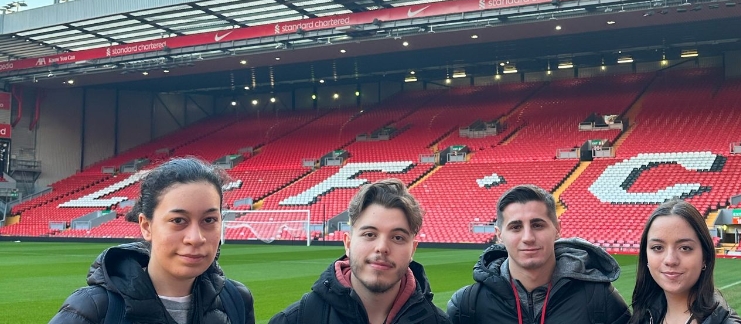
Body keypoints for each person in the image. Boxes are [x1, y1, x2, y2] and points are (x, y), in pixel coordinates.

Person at [50, 157, 255, 324]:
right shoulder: (92, 310)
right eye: (178, 220)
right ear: (146, 226)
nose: (195, 238)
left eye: (209, 220)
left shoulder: (236, 300)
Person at [269, 178, 450, 324]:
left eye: (397, 237)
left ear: (413, 250)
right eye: (370, 234)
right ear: (348, 243)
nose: (382, 247)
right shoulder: (294, 320)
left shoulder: (438, 321)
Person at [447, 184, 631, 324]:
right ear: (499, 235)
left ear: (557, 229)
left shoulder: (600, 300)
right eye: (516, 227)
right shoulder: (467, 305)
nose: (528, 237)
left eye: (537, 225)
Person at [629, 199, 741, 324]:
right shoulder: (643, 316)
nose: (670, 260)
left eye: (685, 248)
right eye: (658, 247)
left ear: (705, 257)